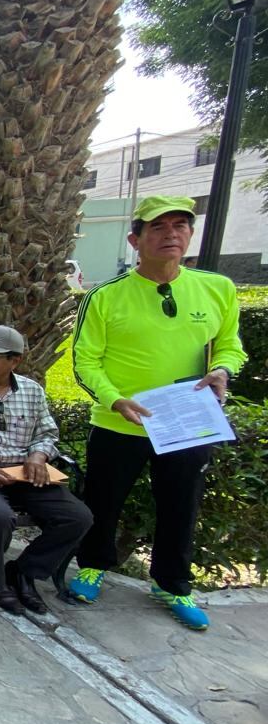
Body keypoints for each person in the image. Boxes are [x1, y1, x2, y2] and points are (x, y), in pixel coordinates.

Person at [69, 196, 246, 630]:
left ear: (190, 234)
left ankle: (172, 584)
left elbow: (230, 345)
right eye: (158, 227)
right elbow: (85, 361)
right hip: (119, 422)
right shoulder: (105, 297)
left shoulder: (217, 289)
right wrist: (114, 400)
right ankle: (92, 567)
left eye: (180, 225)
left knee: (182, 505)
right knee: (103, 501)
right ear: (136, 240)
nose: (171, 234)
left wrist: (223, 369)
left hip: (186, 422)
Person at [0, 325, 92, 615]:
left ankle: (24, 571)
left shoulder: (31, 391)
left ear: (15, 360)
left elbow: (47, 433)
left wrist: (38, 456)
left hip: (22, 471)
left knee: (77, 517)